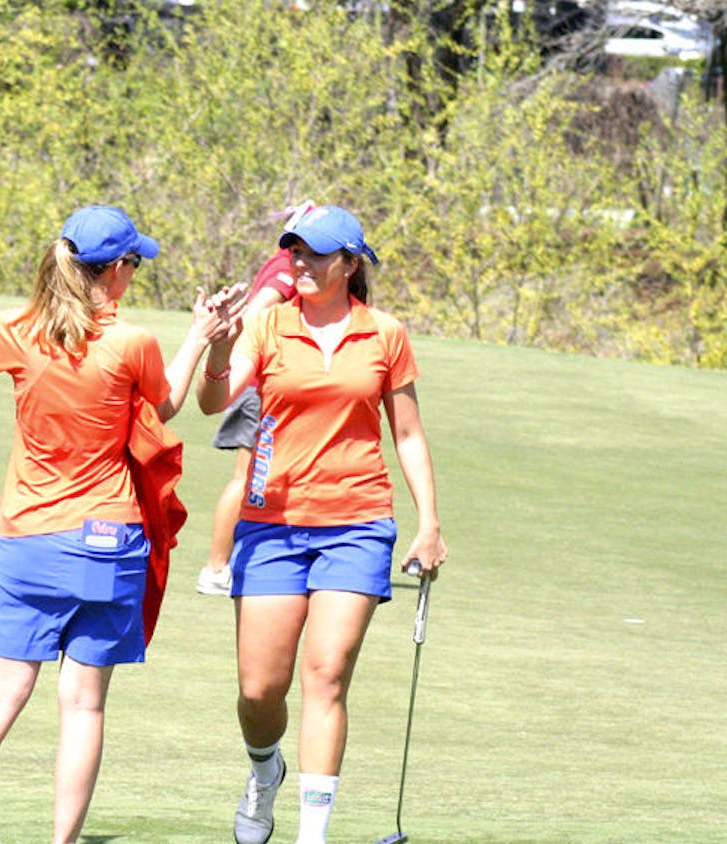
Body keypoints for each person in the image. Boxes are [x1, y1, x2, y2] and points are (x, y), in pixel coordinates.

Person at [0, 205, 241, 844]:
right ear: (114, 272)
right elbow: (167, 403)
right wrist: (201, 332)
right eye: (134, 265)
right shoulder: (130, 342)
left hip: (27, 540)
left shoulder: (19, 330)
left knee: (1, 692)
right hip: (107, 544)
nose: (134, 274)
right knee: (82, 703)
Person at [196, 205, 448, 844]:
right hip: (272, 526)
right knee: (260, 690)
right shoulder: (269, 325)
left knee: (326, 674)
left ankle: (313, 835)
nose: (299, 264)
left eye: (313, 254)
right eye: (294, 253)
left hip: (357, 523)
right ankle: (263, 770)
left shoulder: (384, 334)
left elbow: (409, 435)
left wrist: (429, 523)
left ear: (349, 264)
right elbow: (212, 402)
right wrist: (221, 347)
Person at [195, 245, 297, 596]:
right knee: (245, 478)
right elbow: (255, 313)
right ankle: (216, 569)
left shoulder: (282, 261)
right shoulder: (287, 269)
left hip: (261, 384)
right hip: (258, 387)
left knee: (256, 476)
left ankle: (227, 565)